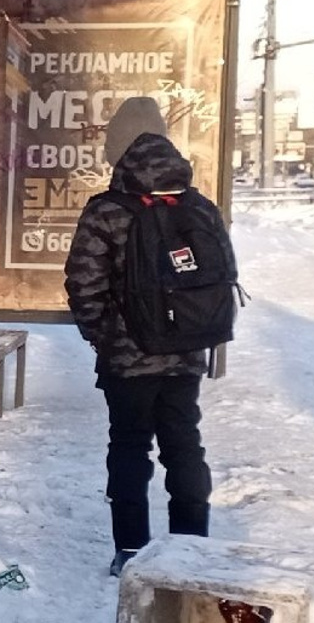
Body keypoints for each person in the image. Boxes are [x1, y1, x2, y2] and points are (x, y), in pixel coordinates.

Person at [62, 96, 231, 578]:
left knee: (130, 445)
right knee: (185, 445)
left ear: (118, 149)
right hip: (185, 353)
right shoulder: (198, 206)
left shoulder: (107, 211)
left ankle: (132, 548)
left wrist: (105, 338)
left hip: (128, 360)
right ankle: (191, 548)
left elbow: (83, 284)